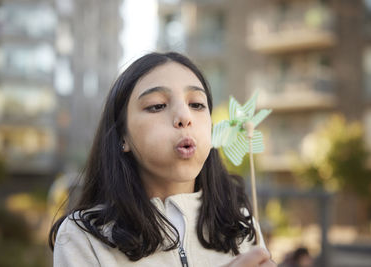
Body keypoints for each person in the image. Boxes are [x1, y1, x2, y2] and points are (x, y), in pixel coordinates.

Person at [49, 52, 276, 267]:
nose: (185, 117)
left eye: (196, 104)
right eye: (157, 106)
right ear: (122, 136)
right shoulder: (82, 238)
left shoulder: (241, 225)